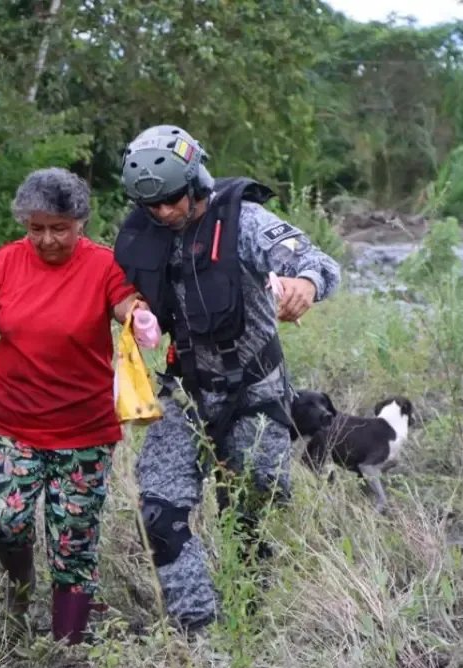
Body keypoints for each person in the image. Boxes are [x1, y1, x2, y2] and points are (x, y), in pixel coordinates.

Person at [112, 124, 342, 632]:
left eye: (172, 200)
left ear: (194, 182)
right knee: (159, 510)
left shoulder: (245, 222)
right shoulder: (142, 230)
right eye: (152, 205)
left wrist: (304, 283)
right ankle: (197, 626)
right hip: (185, 390)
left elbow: (316, 260)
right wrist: (131, 310)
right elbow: (113, 286)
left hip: (255, 387)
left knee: (252, 502)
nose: (164, 213)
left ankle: (250, 609)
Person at [0, 168, 153, 645]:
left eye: (60, 229)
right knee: (4, 519)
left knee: (74, 543)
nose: (48, 239)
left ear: (80, 224)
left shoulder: (103, 265)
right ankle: (20, 585)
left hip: (85, 430)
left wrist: (138, 315)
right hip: (12, 423)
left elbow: (123, 304)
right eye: (37, 229)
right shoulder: (7, 264)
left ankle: (66, 644)